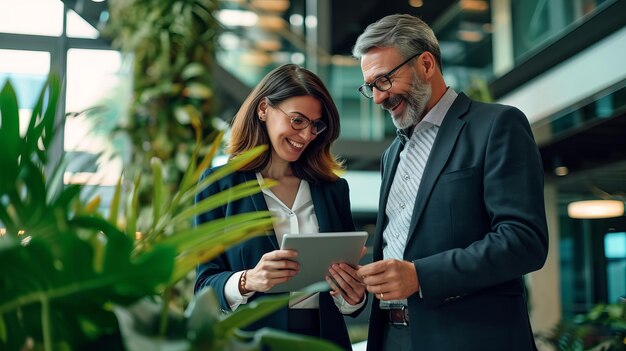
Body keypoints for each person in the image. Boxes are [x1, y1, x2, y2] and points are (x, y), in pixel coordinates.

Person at [352, 14, 549, 351]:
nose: (379, 97)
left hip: (469, 338)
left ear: (426, 64)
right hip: (390, 337)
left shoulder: (496, 125)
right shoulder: (390, 155)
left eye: (384, 80)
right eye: (370, 87)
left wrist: (421, 276)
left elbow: (524, 240)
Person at [194, 64, 367, 350]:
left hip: (324, 341)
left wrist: (353, 294)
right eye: (298, 121)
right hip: (251, 342)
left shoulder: (333, 189)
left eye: (316, 125)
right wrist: (248, 280)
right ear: (263, 109)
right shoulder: (218, 186)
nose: (306, 135)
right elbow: (204, 286)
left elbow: (348, 300)